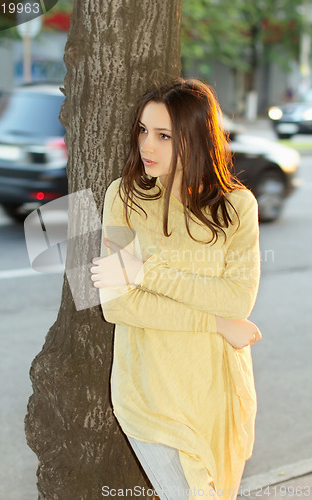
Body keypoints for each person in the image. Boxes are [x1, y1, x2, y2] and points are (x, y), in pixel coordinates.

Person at [90, 78, 262, 500]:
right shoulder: (122, 196)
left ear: (196, 138)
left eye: (164, 135)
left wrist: (145, 270)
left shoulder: (237, 207)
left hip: (216, 391)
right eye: (143, 131)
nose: (147, 145)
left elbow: (238, 299)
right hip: (148, 393)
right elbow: (116, 305)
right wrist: (217, 323)